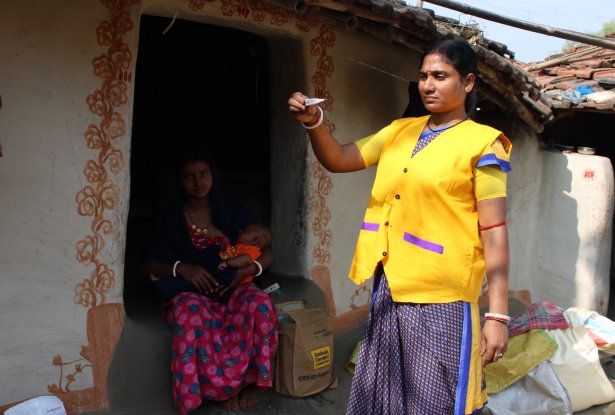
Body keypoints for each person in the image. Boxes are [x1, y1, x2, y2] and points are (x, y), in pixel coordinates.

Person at [288, 38, 511, 414]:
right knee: (387, 396)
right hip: (391, 284)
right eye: (423, 76)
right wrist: (314, 122)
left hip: (443, 296)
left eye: (440, 76)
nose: (428, 85)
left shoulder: (485, 145)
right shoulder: (399, 131)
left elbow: (494, 230)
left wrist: (498, 316)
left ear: (468, 82)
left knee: (434, 400)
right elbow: (339, 158)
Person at [142, 150, 278, 414]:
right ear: (179, 181)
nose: (198, 182)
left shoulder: (231, 211)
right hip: (194, 291)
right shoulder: (171, 218)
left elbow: (268, 251)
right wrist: (183, 269)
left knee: (260, 303)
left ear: (213, 175)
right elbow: (147, 266)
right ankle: (218, 390)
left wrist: (250, 270)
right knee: (191, 314)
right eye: (189, 177)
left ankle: (248, 383)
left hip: (232, 287)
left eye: (204, 174)